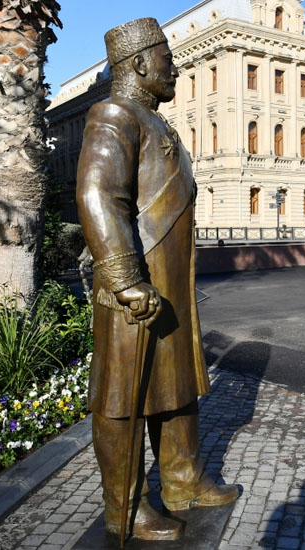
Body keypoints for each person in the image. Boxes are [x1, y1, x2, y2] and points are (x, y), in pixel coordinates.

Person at [76, 17, 238, 541]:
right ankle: (123, 507)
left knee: (176, 384)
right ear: (140, 62)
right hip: (134, 286)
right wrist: (125, 279)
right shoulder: (113, 113)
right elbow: (99, 196)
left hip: (167, 285)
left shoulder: (153, 120)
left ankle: (183, 480)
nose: (175, 67)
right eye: (167, 58)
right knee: (123, 396)